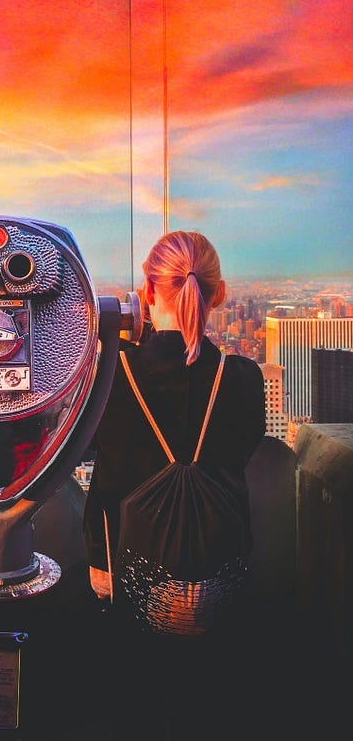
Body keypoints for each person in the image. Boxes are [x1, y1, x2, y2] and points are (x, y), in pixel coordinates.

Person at [82, 230, 266, 740]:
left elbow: (95, 461)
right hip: (220, 568)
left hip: (128, 571)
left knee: (132, 704)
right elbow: (243, 454)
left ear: (147, 289)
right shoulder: (245, 378)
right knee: (210, 705)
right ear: (219, 293)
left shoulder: (111, 376)